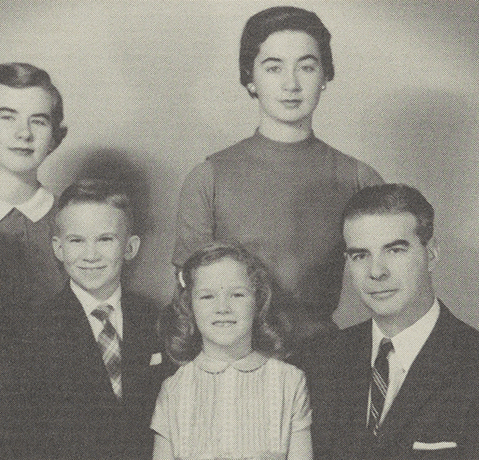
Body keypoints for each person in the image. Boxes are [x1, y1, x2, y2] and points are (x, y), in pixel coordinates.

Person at [173, 6, 383, 347]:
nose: (291, 84)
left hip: (325, 365)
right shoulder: (208, 178)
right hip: (233, 363)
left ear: (325, 76)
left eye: (306, 67)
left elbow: (387, 282)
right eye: (273, 68)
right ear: (250, 78)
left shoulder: (358, 178)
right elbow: (187, 301)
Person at [298, 184, 479, 459]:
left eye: (395, 250)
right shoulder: (316, 362)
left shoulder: (472, 360)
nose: (376, 272)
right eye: (360, 255)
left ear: (432, 254)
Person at [30, 178, 166, 459]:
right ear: (58, 248)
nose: (91, 255)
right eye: (77, 240)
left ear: (130, 247)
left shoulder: (158, 321)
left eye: (105, 239)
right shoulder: (32, 332)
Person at [152, 242, 312, 460]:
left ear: (258, 301)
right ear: (189, 306)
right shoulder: (174, 390)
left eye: (237, 295)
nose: (222, 308)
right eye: (207, 296)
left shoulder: (290, 382)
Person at [0, 62, 68, 299]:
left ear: (53, 138)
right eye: (7, 117)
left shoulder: (71, 218)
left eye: (39, 121)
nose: (24, 133)